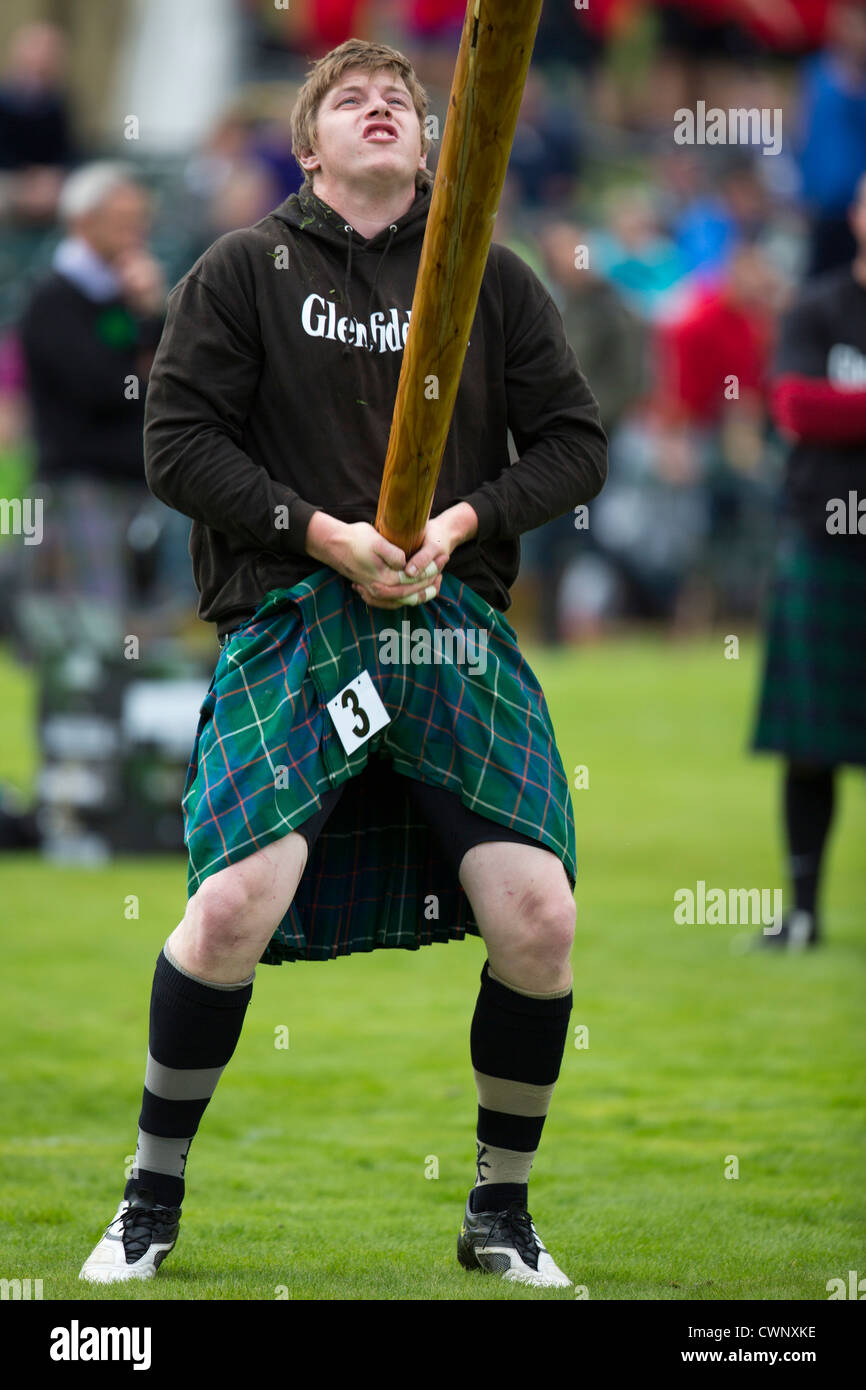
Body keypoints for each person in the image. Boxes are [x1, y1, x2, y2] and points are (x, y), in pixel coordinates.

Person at [79, 38, 607, 1289]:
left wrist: (460, 522)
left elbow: (576, 444)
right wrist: (319, 532)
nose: (378, 111)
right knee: (229, 911)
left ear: (431, 146)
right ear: (307, 146)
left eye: (400, 104)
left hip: (446, 625)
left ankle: (499, 1212)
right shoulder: (241, 270)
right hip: (295, 619)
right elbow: (176, 442)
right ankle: (148, 1200)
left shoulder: (487, 278)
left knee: (538, 917)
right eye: (347, 102)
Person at [752, 170, 866, 949]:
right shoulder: (819, 308)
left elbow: (828, 409)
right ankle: (802, 911)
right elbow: (795, 408)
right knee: (811, 747)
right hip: (824, 546)